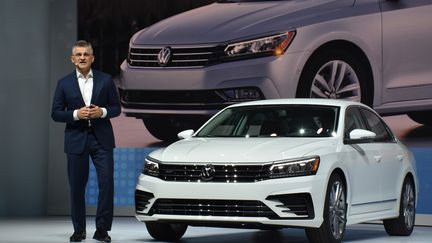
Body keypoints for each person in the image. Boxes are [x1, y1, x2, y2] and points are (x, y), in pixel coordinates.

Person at [51, 40, 120, 242]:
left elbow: (117, 108)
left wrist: (103, 112)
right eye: (78, 55)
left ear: (92, 58)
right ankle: (79, 230)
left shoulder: (106, 80)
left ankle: (102, 230)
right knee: (77, 187)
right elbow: (55, 113)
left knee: (106, 184)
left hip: (102, 140)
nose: (82, 57)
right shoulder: (63, 83)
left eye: (86, 54)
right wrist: (75, 114)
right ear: (73, 59)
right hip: (76, 139)